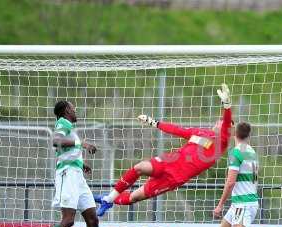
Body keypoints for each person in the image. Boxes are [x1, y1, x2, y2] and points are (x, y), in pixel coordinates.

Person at [95, 83, 233, 216]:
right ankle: (109, 199)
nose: (220, 122)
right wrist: (154, 122)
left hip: (174, 178)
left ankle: (108, 200)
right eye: (220, 121)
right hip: (169, 161)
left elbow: (227, 122)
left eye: (224, 124)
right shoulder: (200, 132)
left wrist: (227, 106)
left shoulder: (221, 143)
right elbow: (176, 129)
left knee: (134, 197)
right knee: (140, 167)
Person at [31, 100, 118, 227]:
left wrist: (81, 163)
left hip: (77, 175)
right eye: (72, 107)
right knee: (68, 220)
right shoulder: (62, 123)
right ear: (66, 111)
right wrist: (82, 144)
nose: (75, 109)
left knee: (93, 219)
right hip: (67, 176)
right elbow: (56, 141)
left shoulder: (69, 127)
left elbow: (66, 151)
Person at [213, 122, 270, 227]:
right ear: (249, 135)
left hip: (243, 202)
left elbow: (230, 182)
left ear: (234, 134)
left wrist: (220, 205)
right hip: (245, 200)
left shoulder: (236, 152)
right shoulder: (251, 152)